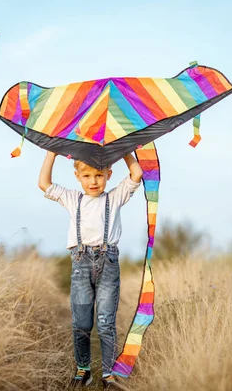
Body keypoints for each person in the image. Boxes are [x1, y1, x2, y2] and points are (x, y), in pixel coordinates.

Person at [38, 151, 143, 388]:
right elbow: (43, 183)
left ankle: (108, 374)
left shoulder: (114, 198)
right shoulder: (72, 198)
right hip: (80, 264)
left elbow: (136, 173)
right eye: (86, 175)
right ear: (77, 176)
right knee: (82, 323)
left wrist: (124, 149)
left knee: (106, 321)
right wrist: (51, 154)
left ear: (109, 174)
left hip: (108, 264)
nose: (93, 181)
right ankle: (83, 370)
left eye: (98, 175)